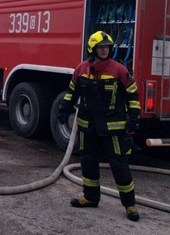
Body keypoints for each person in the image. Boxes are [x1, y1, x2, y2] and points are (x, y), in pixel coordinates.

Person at [58, 31, 142, 222]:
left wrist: (135, 117)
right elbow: (72, 92)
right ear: (92, 49)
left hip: (113, 128)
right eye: (101, 47)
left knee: (120, 165)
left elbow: (132, 95)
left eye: (107, 47)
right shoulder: (81, 69)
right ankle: (90, 198)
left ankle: (130, 204)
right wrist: (64, 109)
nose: (104, 50)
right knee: (88, 163)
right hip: (88, 127)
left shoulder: (119, 70)